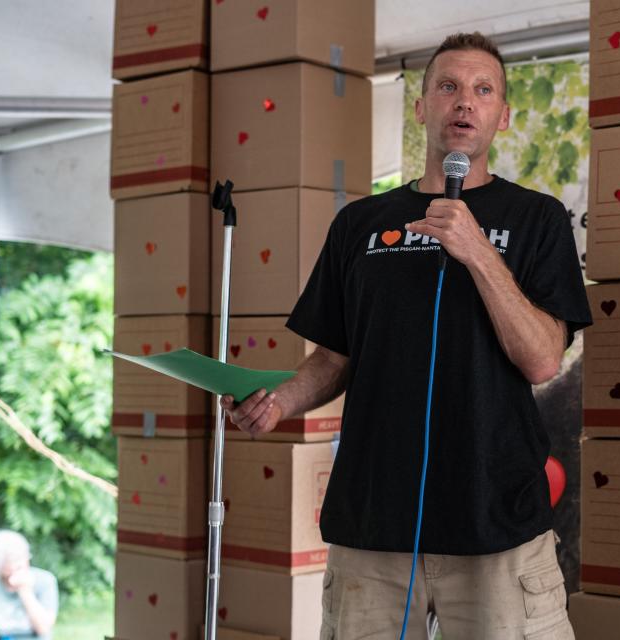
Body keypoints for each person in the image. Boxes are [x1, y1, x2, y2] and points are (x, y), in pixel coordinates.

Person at [222, 32, 592, 639]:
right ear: (420, 107)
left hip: (495, 523)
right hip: (374, 524)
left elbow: (543, 359)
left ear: (503, 114)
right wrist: (280, 400)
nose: (464, 103)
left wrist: (476, 250)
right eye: (447, 87)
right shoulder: (360, 225)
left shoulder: (538, 218)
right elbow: (334, 355)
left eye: (482, 90)